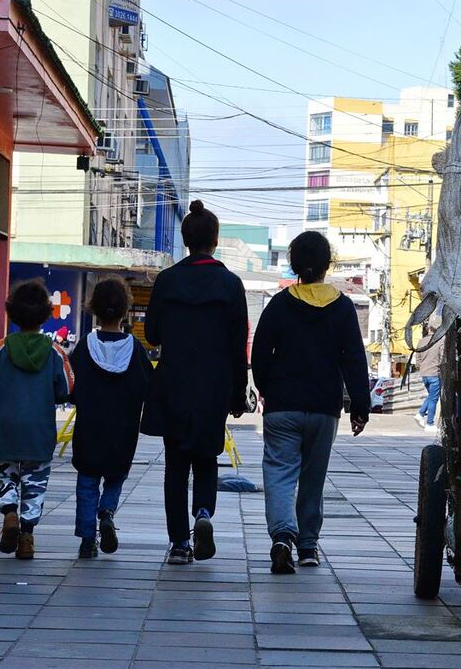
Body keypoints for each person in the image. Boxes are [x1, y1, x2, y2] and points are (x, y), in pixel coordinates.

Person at [251, 231, 370, 574]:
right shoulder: (343, 307)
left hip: (283, 406)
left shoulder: (279, 304)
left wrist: (265, 387)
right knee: (313, 478)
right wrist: (359, 407)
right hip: (323, 409)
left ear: (294, 265)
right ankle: (307, 547)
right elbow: (353, 360)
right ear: (326, 265)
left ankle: (281, 538)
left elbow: (260, 352)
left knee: (279, 473)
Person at [141, 200, 249, 565]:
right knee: (206, 457)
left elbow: (152, 334)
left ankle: (179, 544)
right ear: (215, 241)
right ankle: (203, 513)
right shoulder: (231, 285)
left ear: (185, 240)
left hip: (173, 383)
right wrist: (238, 394)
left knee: (176, 465)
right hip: (214, 385)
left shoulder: (168, 280)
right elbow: (238, 346)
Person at [0, 280, 73, 560]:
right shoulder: (55, 352)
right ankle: (27, 536)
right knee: (35, 482)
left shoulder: (1, 349)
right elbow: (67, 387)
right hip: (39, 430)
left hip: (4, 427)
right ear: (46, 314)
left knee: (4, 474)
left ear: (12, 313)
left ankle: (9, 513)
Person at [68, 277, 153, 559]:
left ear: (93, 309)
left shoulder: (84, 347)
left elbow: (71, 388)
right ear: (125, 310)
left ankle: (86, 539)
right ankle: (107, 511)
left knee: (87, 480)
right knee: (116, 476)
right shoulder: (135, 349)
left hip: (89, 430)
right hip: (122, 431)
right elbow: (147, 386)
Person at [413, 314, 444, 432]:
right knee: (433, 399)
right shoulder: (440, 341)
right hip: (435, 373)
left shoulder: (421, 341)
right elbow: (442, 358)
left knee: (431, 396)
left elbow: (418, 360)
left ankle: (420, 414)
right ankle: (429, 423)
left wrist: (421, 367)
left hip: (424, 374)